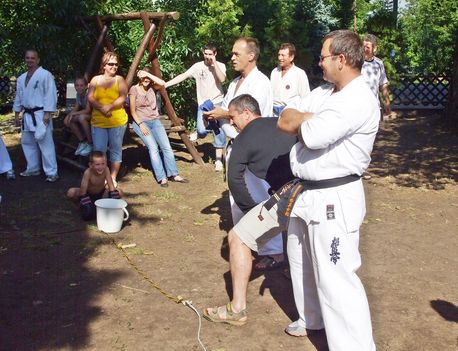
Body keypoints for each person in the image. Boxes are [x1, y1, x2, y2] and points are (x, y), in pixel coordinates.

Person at [277, 30, 379, 349]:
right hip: (305, 192)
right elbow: (284, 119)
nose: (319, 63)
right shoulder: (325, 93)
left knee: (337, 277)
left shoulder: (359, 97)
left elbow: (312, 135)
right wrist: (308, 117)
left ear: (341, 59)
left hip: (335, 195)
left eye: (323, 57)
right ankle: (313, 319)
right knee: (300, 260)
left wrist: (306, 121)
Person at [203, 94, 296, 325]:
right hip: (307, 190)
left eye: (233, 117)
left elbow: (234, 180)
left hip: (285, 196)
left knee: (238, 237)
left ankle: (237, 309)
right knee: (299, 240)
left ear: (246, 113)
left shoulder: (244, 138)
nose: (231, 123)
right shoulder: (281, 123)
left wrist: (251, 209)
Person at [165, 44, 227, 171]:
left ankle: (219, 161)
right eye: (206, 54)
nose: (208, 56)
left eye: (210, 54)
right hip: (203, 105)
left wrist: (214, 65)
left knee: (218, 132)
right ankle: (198, 133)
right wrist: (166, 84)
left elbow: (222, 79)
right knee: (202, 131)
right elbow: (183, 75)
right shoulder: (198, 66)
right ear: (203, 53)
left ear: (215, 54)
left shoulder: (220, 65)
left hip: (218, 103)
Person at [203, 37, 273, 140]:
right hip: (235, 144)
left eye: (237, 54)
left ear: (251, 56)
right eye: (232, 54)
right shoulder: (234, 83)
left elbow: (253, 115)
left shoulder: (260, 82)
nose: (232, 58)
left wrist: (223, 114)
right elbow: (225, 108)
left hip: (254, 142)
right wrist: (213, 113)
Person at [129, 69, 188, 187]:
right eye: (144, 77)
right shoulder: (133, 89)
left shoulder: (153, 87)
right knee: (153, 148)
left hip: (155, 121)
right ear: (139, 78)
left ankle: (173, 174)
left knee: (166, 147)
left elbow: (162, 83)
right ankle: (162, 178)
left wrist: (149, 75)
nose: (146, 80)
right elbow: (132, 111)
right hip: (140, 122)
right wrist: (141, 125)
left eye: (148, 78)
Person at [13, 49, 59, 182]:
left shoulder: (45, 75)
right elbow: (18, 97)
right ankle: (33, 168)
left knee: (45, 143)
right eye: (27, 58)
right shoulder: (21, 78)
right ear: (25, 59)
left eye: (33, 58)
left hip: (40, 113)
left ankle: (51, 172)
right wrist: (17, 114)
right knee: (27, 142)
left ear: (38, 60)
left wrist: (47, 114)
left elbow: (50, 95)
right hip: (27, 115)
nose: (30, 60)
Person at [87, 52, 128, 188]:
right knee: (99, 150)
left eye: (116, 64)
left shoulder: (119, 80)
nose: (114, 66)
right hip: (99, 121)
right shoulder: (95, 80)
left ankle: (112, 177)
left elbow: (123, 96)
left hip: (117, 121)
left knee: (116, 150)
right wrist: (101, 107)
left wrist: (109, 106)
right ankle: (100, 176)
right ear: (104, 65)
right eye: (111, 64)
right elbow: (90, 97)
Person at [67, 151, 120, 221]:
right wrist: (85, 203)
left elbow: (111, 187)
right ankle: (80, 206)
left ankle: (104, 206)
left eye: (103, 164)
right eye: (97, 164)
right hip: (88, 194)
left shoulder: (106, 169)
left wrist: (115, 201)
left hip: (101, 194)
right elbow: (83, 192)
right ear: (90, 165)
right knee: (71, 192)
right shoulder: (87, 173)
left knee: (120, 192)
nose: (101, 167)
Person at [270, 43, 310, 117]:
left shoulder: (299, 73)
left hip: (290, 114)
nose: (280, 58)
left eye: (283, 55)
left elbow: (306, 97)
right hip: (273, 113)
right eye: (279, 55)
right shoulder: (274, 72)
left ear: (291, 57)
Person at [361, 34, 391, 118]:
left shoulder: (379, 63)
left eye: (367, 47)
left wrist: (387, 102)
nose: (364, 49)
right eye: (363, 46)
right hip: (358, 108)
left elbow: (383, 85)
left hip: (374, 108)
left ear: (374, 48)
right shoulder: (356, 62)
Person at [63, 77, 92, 156]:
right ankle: (82, 141)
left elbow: (87, 110)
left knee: (81, 118)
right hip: (86, 115)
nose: (79, 87)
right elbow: (76, 107)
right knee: (69, 120)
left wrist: (74, 114)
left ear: (86, 86)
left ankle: (90, 143)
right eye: (77, 85)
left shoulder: (88, 94)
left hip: (94, 115)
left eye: (81, 85)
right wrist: (70, 115)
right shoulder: (78, 94)